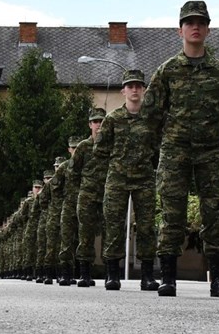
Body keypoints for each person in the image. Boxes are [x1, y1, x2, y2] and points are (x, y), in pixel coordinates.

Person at [142, 0, 219, 298]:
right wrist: (168, 139)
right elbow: (150, 113)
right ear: (180, 30)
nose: (195, 27)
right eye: (189, 22)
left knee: (214, 213)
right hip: (175, 151)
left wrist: (210, 131)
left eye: (201, 22)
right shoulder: (167, 71)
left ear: (208, 30)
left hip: (211, 152)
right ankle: (168, 278)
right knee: (173, 213)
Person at [95, 69, 160, 291]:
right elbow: (100, 150)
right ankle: (112, 274)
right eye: (130, 86)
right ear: (123, 90)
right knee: (113, 223)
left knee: (146, 226)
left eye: (138, 86)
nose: (134, 90)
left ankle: (147, 275)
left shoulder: (152, 119)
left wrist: (151, 166)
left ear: (143, 90)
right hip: (117, 178)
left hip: (144, 179)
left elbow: (159, 148)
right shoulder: (113, 119)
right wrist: (115, 166)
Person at [72, 108, 107, 287]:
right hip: (87, 195)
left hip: (108, 194)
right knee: (85, 234)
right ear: (90, 124)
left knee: (111, 232)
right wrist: (82, 188)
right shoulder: (83, 147)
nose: (98, 124)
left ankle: (111, 272)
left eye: (101, 121)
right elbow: (73, 171)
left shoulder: (110, 144)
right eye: (95, 121)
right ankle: (85, 273)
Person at [58, 136, 82, 286]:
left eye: (77, 148)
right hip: (68, 205)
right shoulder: (64, 167)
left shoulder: (86, 165)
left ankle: (82, 272)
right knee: (67, 238)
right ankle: (65, 273)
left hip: (84, 204)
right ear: (69, 150)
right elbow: (54, 188)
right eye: (73, 148)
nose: (75, 151)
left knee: (83, 238)